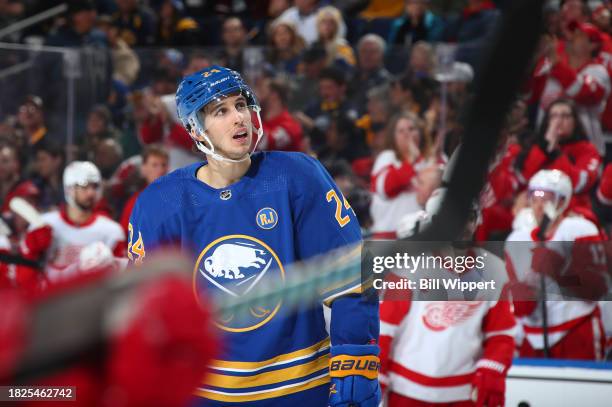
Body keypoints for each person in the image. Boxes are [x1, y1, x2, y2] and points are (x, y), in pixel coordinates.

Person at [128, 66, 380, 406]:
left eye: (241, 105)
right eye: (221, 111)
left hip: (301, 389)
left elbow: (351, 274)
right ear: (195, 129)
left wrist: (355, 359)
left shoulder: (297, 177)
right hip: (207, 394)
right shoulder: (161, 204)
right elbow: (146, 314)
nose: (239, 118)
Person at [381, 189, 516, 407]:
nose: (461, 227)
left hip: (462, 393)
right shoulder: (408, 268)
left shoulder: (494, 269)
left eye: (469, 217)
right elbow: (383, 330)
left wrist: (492, 370)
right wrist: (375, 375)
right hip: (405, 390)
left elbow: (501, 334)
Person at [505, 169, 609, 360]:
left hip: (575, 329)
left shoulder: (580, 230)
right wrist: (522, 294)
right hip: (531, 336)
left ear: (562, 201)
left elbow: (597, 290)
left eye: (545, 199)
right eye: (534, 198)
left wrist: (558, 272)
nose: (538, 206)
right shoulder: (517, 239)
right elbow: (519, 308)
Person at [20, 161, 126, 284]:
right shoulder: (44, 224)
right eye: (84, 186)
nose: (91, 192)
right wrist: (32, 249)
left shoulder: (112, 231)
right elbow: (24, 275)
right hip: (51, 299)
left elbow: (122, 278)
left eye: (95, 186)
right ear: (69, 189)